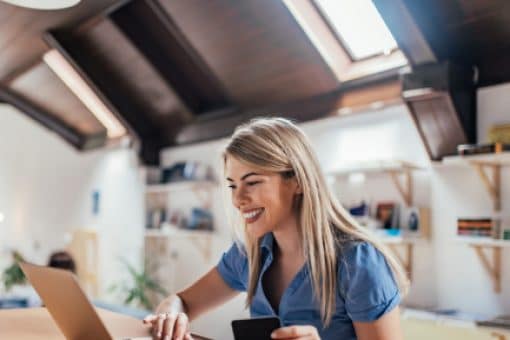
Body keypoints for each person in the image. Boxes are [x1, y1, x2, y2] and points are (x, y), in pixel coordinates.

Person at [143, 117, 408, 340]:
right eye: (233, 185)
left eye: (253, 182)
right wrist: (171, 312)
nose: (238, 200)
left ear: (298, 182)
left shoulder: (359, 264)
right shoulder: (248, 254)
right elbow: (183, 301)